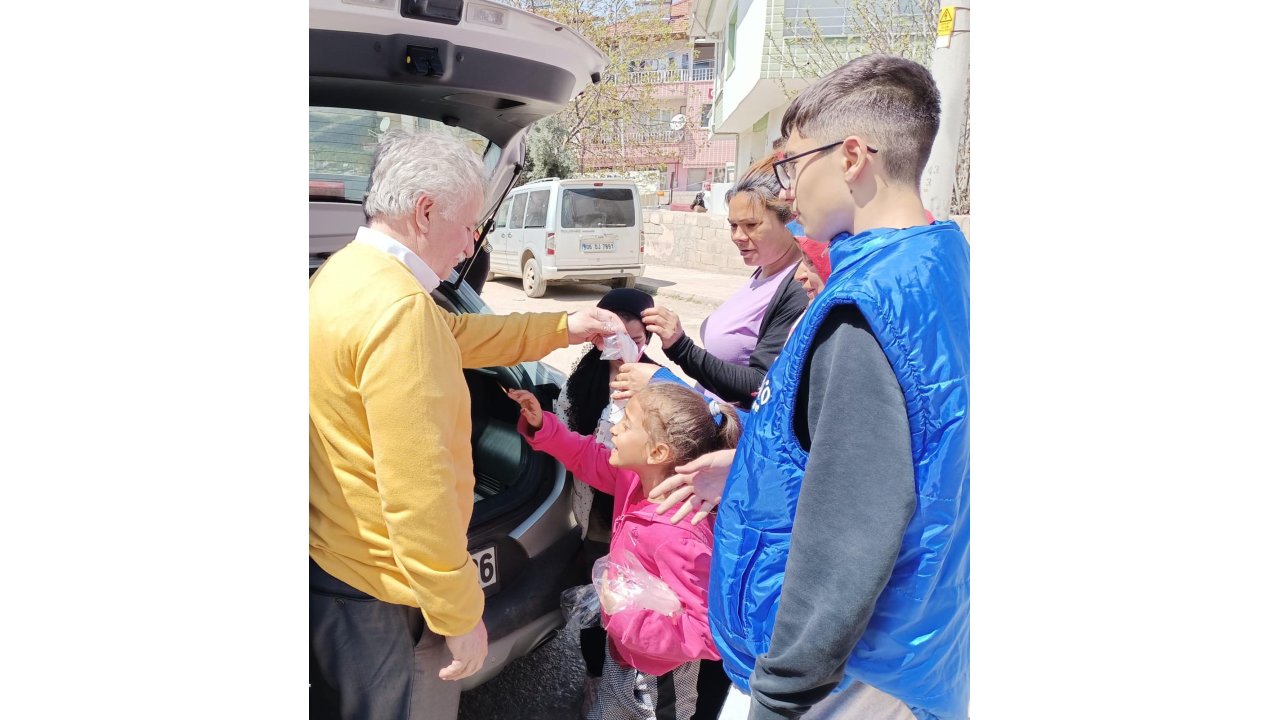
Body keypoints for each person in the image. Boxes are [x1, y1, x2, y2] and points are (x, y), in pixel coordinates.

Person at [650, 54, 970, 720]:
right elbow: (886, 458)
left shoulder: (862, 312)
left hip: (844, 669)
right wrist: (743, 465)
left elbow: (853, 531)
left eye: (794, 165)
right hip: (906, 642)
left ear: (852, 155)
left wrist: (781, 695)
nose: (788, 189)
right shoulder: (941, 259)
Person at [309, 129, 622, 720]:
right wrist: (458, 614)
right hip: (388, 596)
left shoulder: (347, 276)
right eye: (470, 224)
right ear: (424, 211)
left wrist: (563, 327)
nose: (473, 243)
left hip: (341, 568)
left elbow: (457, 335)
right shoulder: (399, 311)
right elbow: (417, 491)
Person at [506, 383, 742, 720]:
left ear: (658, 453)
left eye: (627, 423)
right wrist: (544, 426)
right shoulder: (634, 479)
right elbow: (586, 457)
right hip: (622, 650)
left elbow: (706, 628)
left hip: (661, 675)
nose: (614, 428)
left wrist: (625, 619)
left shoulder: (679, 534)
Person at [555, 287, 659, 717]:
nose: (623, 347)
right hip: (591, 511)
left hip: (632, 519)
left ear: (647, 339)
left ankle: (633, 687)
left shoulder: (657, 386)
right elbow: (572, 437)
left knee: (629, 606)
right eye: (612, 336)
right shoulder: (585, 378)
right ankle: (595, 678)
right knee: (593, 600)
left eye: (634, 337)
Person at [633, 158, 809, 409]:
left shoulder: (799, 288)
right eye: (733, 225)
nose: (738, 236)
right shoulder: (763, 272)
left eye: (751, 225)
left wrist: (680, 348)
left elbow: (759, 385)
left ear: (789, 221)